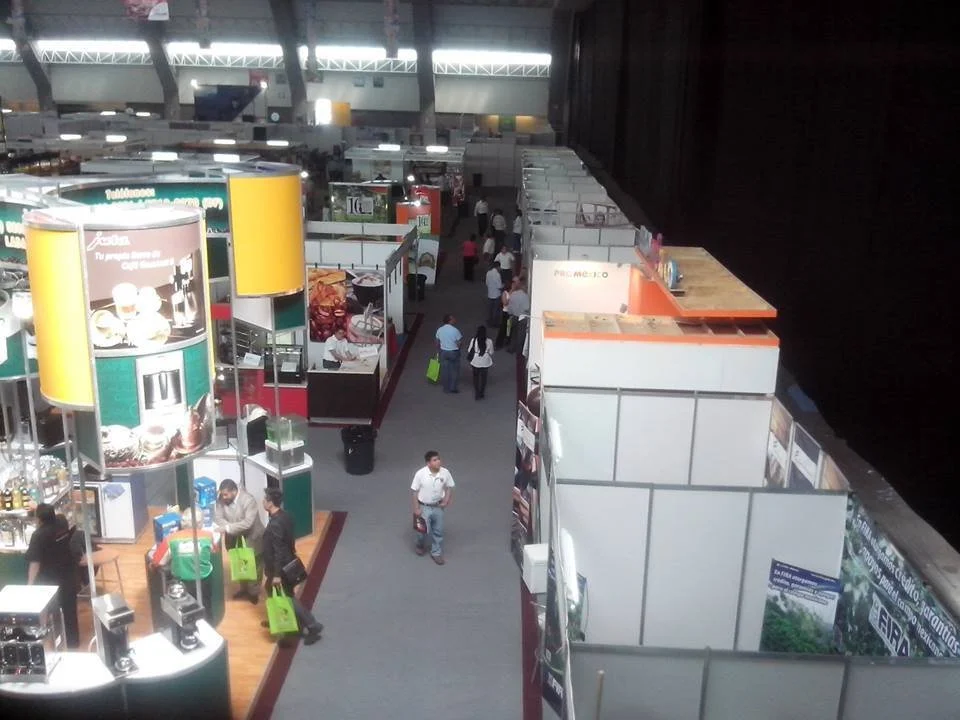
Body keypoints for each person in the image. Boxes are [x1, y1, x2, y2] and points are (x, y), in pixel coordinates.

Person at [261, 488, 323, 645]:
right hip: (288, 561)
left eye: (264, 499)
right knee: (271, 589)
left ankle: (311, 625)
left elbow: (278, 551)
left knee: (288, 597)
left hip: (280, 567)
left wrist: (276, 574)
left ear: (270, 503)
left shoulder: (275, 524)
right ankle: (278, 618)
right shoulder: (286, 516)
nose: (262, 501)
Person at [26, 505, 80, 648]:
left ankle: (49, 641)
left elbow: (35, 563)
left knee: (46, 608)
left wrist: (30, 584)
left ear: (39, 519)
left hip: (49, 579)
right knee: (70, 610)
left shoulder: (38, 535)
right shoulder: (62, 522)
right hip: (68, 573)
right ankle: (73, 643)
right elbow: (60, 514)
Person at [215, 479, 265, 604]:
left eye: (226, 494)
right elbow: (218, 518)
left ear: (234, 491)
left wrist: (228, 527)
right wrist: (232, 527)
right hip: (233, 539)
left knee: (255, 566)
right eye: (222, 494)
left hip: (252, 538)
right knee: (240, 563)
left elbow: (248, 523)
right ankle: (244, 589)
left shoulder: (248, 500)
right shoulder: (221, 499)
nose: (223, 497)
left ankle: (253, 592)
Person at [410, 451, 456, 565]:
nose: (438, 462)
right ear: (428, 463)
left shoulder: (445, 473)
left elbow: (449, 487)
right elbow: (414, 492)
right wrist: (416, 508)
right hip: (423, 506)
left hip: (438, 507)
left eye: (438, 459)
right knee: (421, 531)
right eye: (435, 460)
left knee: (438, 530)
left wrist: (446, 500)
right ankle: (420, 544)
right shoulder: (420, 474)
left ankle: (436, 552)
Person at [435, 314, 463, 393]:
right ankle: (453, 388)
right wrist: (459, 349)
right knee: (454, 371)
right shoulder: (455, 330)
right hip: (453, 352)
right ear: (449, 321)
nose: (455, 319)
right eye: (453, 318)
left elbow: (437, 341)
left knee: (445, 371)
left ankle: (446, 388)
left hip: (443, 352)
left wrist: (438, 350)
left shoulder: (440, 329)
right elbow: (459, 343)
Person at [467, 325, 495, 399]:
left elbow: (469, 350)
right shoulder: (489, 341)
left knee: (475, 377)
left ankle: (477, 392)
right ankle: (482, 392)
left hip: (475, 360)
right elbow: (491, 352)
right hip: (485, 361)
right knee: (484, 378)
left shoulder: (473, 340)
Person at [505, 281, 531, 354]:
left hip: (514, 316)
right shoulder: (525, 296)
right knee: (521, 335)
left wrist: (510, 313)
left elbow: (510, 305)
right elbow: (527, 307)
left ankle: (511, 348)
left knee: (514, 333)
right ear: (524, 287)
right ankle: (519, 351)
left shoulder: (513, 294)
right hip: (522, 318)